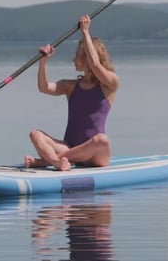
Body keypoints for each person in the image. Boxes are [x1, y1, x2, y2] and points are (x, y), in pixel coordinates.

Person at [24, 15, 119, 171]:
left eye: (76, 56)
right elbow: (44, 87)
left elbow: (95, 65)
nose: (73, 60)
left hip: (95, 154)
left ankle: (46, 161)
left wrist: (85, 33)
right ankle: (56, 163)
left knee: (102, 140)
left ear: (87, 58)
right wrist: (43, 62)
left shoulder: (109, 84)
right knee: (35, 134)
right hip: (69, 148)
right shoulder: (71, 86)